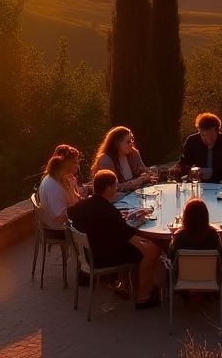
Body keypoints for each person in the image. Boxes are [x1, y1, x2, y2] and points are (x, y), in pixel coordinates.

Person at [67, 169, 164, 309]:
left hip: (88, 254)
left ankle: (124, 285)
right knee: (152, 251)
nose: (116, 188)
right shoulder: (109, 212)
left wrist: (121, 216)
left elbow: (77, 215)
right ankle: (143, 296)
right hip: (103, 257)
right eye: (115, 185)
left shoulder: (81, 205)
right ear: (108, 187)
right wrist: (139, 224)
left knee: (143, 247)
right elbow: (131, 237)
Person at [179, 112, 222, 183]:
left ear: (217, 132)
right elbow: (183, 164)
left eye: (210, 134)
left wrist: (214, 173)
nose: (207, 138)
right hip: (198, 184)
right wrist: (193, 173)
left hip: (221, 185)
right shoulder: (192, 141)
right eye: (203, 134)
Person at [92, 126, 154, 193]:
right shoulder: (106, 159)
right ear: (116, 143)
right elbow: (113, 188)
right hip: (115, 200)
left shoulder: (134, 153)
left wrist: (144, 178)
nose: (131, 144)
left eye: (132, 140)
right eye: (128, 141)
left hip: (134, 196)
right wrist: (138, 181)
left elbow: (146, 174)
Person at [38, 145, 83, 230]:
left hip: (68, 220)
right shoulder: (52, 186)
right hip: (61, 228)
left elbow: (75, 199)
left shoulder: (62, 178)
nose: (77, 166)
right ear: (66, 164)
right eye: (75, 163)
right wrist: (80, 209)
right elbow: (60, 218)